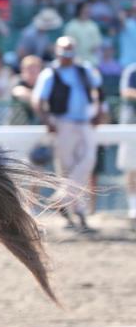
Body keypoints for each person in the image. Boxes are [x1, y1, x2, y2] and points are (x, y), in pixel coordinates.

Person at [32, 36, 102, 231]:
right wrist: (47, 121)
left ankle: (59, 199)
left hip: (85, 122)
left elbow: (97, 91)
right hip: (62, 123)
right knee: (68, 168)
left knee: (88, 160)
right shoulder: (50, 74)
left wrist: (99, 111)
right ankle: (78, 214)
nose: (67, 56)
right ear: (57, 52)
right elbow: (38, 100)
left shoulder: (84, 70)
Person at [117, 60, 136, 223]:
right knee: (132, 168)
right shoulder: (132, 71)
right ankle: (133, 207)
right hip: (133, 124)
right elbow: (127, 92)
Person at [63, 2, 102, 66]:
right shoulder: (71, 26)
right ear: (79, 10)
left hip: (91, 62)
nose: (87, 12)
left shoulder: (93, 26)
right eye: (85, 10)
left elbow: (97, 45)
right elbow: (67, 46)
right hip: (75, 63)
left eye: (88, 10)